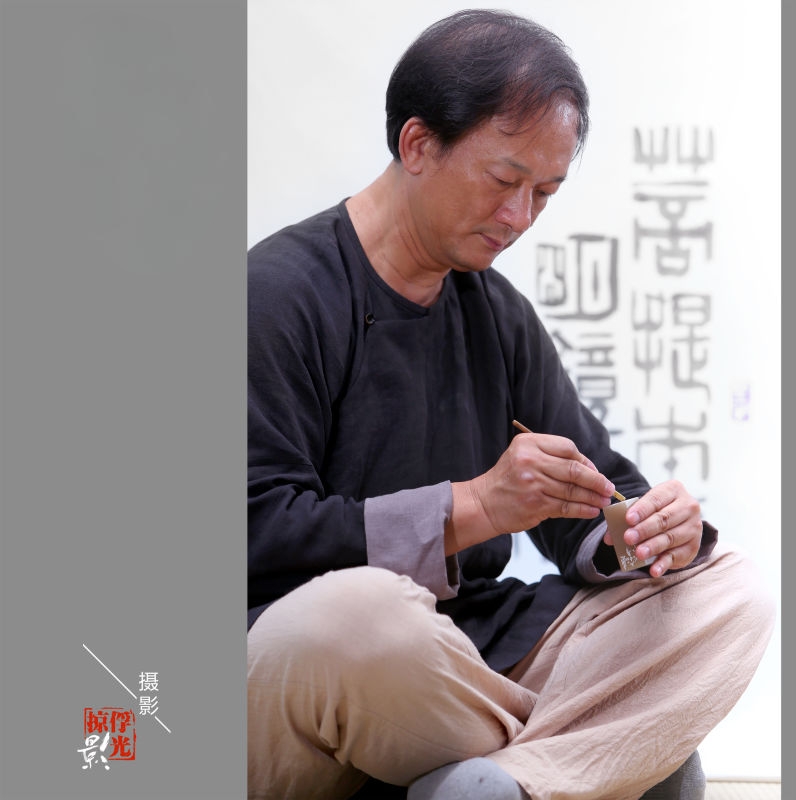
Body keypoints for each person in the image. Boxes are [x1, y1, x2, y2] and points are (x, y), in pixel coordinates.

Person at [247, 9, 775, 800]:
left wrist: (643, 531)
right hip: (318, 664)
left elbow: (592, 495)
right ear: (417, 144)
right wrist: (478, 507)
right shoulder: (276, 294)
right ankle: (581, 757)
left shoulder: (496, 314)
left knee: (727, 589)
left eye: (545, 193)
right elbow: (253, 530)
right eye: (504, 182)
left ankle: (508, 781)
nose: (520, 218)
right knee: (361, 616)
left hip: (472, 654)